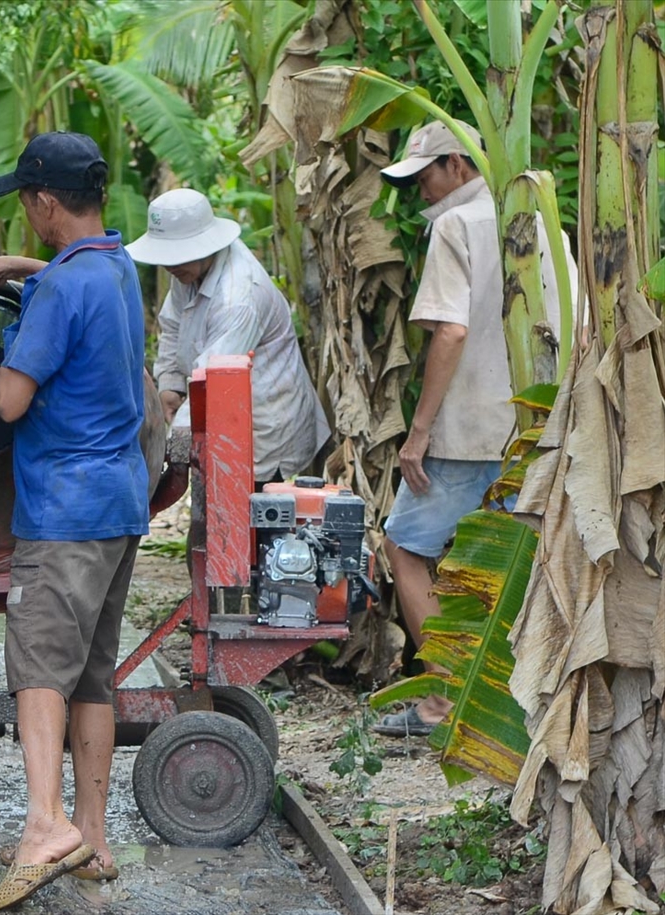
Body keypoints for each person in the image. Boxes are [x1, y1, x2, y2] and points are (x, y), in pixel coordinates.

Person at [0, 131, 147, 909]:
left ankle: (43, 824)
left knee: (37, 670)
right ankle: (91, 835)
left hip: (62, 511)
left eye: (26, 202)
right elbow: (72, 284)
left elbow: (10, 401)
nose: (26, 213)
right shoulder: (117, 267)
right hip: (119, 506)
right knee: (92, 674)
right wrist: (17, 270)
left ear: (45, 202)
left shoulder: (63, 290)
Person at [373, 120, 569, 737]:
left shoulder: (456, 226)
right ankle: (525, 708)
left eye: (425, 176)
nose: (420, 192)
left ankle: (442, 702)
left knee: (403, 546)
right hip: (538, 426)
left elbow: (451, 330)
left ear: (458, 165)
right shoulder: (545, 222)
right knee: (525, 566)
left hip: (469, 431)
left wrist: (420, 430)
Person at [127, 188, 329, 482]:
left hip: (265, 425)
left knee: (252, 514)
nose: (169, 266)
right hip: (224, 418)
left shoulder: (239, 295)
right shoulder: (187, 270)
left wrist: (174, 445)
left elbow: (213, 378)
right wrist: (169, 385)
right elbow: (172, 326)